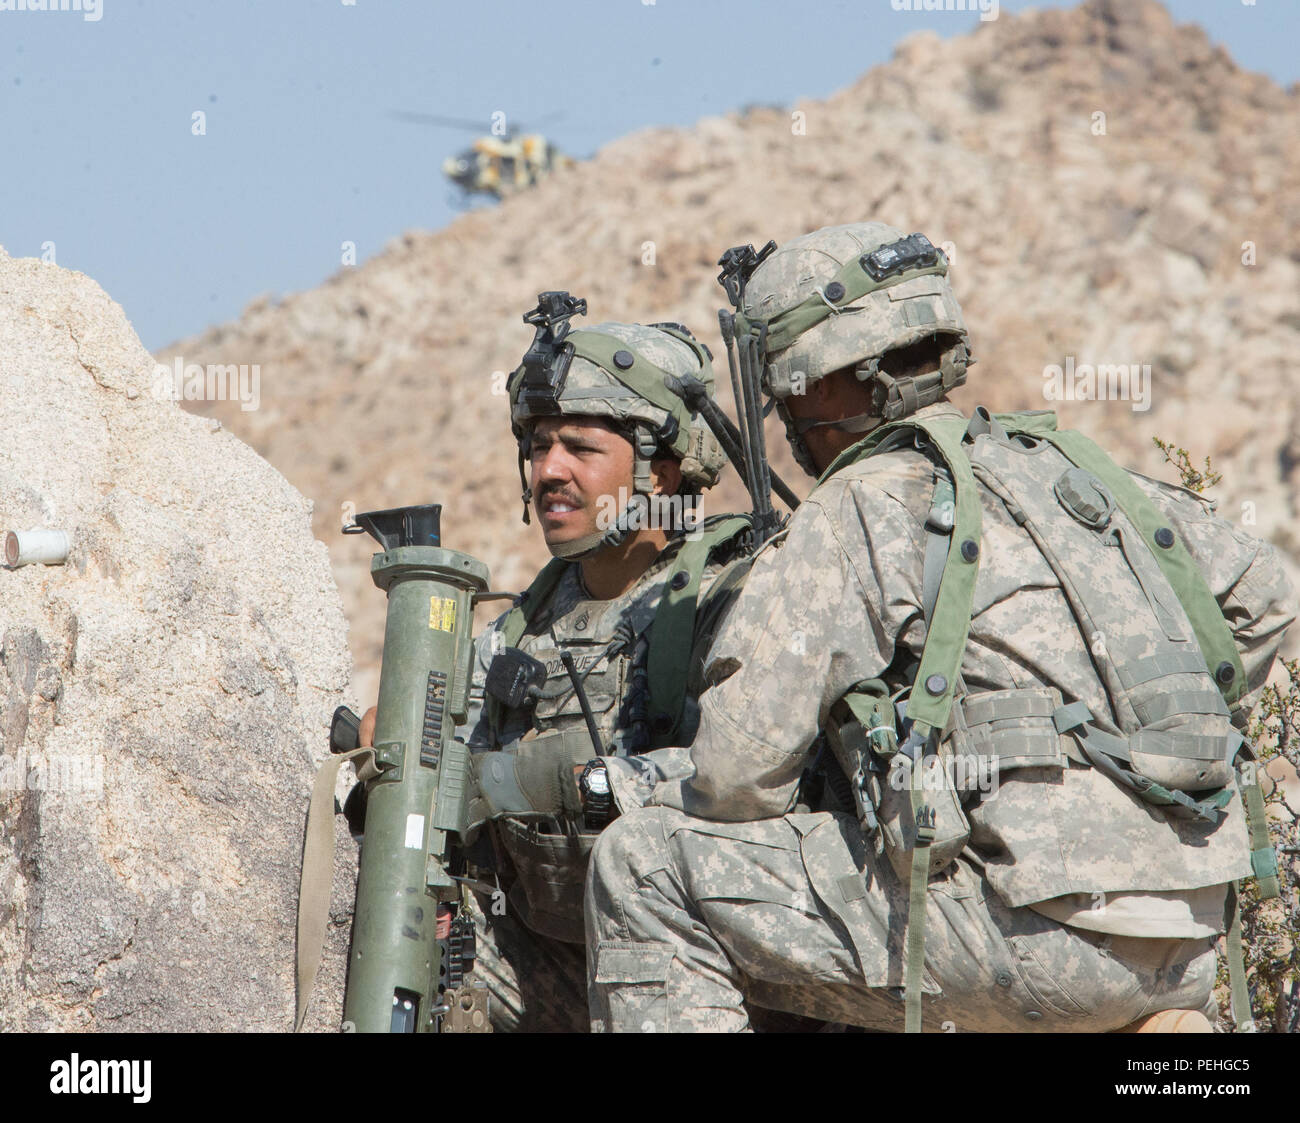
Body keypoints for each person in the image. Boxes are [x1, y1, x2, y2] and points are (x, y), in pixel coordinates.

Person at [584, 223, 1297, 1033]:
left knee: (643, 865)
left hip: (1033, 941)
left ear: (828, 381)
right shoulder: (1079, 472)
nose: (783, 416)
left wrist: (640, 783)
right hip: (1193, 940)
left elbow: (738, 776)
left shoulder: (864, 501)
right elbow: (1267, 596)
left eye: (786, 392)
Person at [359, 294, 754, 1031]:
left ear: (661, 474)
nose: (549, 470)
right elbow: (438, 743)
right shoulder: (525, 623)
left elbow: (747, 778)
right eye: (538, 446)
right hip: (561, 962)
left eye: (580, 447)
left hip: (707, 976)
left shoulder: (728, 599)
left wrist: (552, 781)